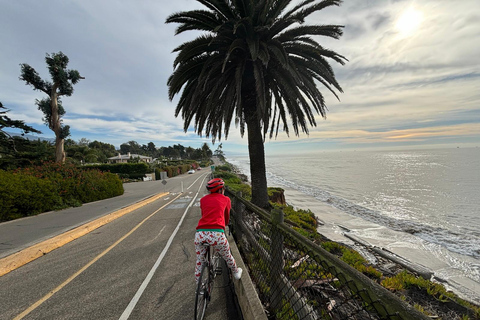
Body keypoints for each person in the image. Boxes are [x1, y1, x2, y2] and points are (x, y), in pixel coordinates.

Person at [194, 178, 242, 283]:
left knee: (199, 261)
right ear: (221, 190)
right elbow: (226, 217)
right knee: (227, 255)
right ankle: (236, 272)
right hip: (217, 234)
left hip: (200, 234)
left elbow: (204, 215)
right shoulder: (226, 199)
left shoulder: (203, 200)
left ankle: (199, 286)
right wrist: (223, 224)